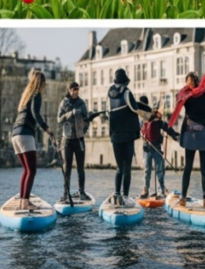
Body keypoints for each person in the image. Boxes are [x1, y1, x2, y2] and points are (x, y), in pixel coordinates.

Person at [11, 69, 52, 211]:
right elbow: (36, 113)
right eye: (44, 84)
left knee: (26, 170)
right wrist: (46, 128)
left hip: (15, 135)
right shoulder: (36, 95)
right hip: (25, 134)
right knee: (32, 170)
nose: (44, 86)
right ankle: (26, 202)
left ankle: (22, 202)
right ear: (41, 83)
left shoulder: (26, 96)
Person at [177, 71, 205, 208]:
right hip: (204, 132)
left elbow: (177, 108)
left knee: (187, 168)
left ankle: (183, 199)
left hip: (190, 134)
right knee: (204, 169)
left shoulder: (186, 94)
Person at [56, 81, 102, 204]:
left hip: (79, 140)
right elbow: (59, 119)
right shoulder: (64, 103)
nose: (75, 92)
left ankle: (81, 192)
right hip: (67, 141)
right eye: (73, 90)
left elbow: (87, 119)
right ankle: (66, 194)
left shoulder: (82, 104)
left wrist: (84, 129)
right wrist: (70, 113)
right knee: (67, 169)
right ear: (69, 90)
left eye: (77, 90)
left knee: (81, 168)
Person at [108, 68, 144, 204]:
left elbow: (108, 113)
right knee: (127, 168)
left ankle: (117, 195)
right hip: (128, 136)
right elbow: (135, 108)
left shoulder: (109, 94)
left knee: (119, 168)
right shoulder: (127, 93)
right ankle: (125, 197)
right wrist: (150, 111)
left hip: (115, 137)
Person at [138, 95, 178, 198]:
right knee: (147, 170)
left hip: (156, 147)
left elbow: (167, 127)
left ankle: (162, 190)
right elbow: (137, 129)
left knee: (159, 170)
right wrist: (140, 134)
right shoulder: (141, 120)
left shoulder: (156, 119)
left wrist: (174, 135)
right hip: (147, 147)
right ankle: (146, 189)